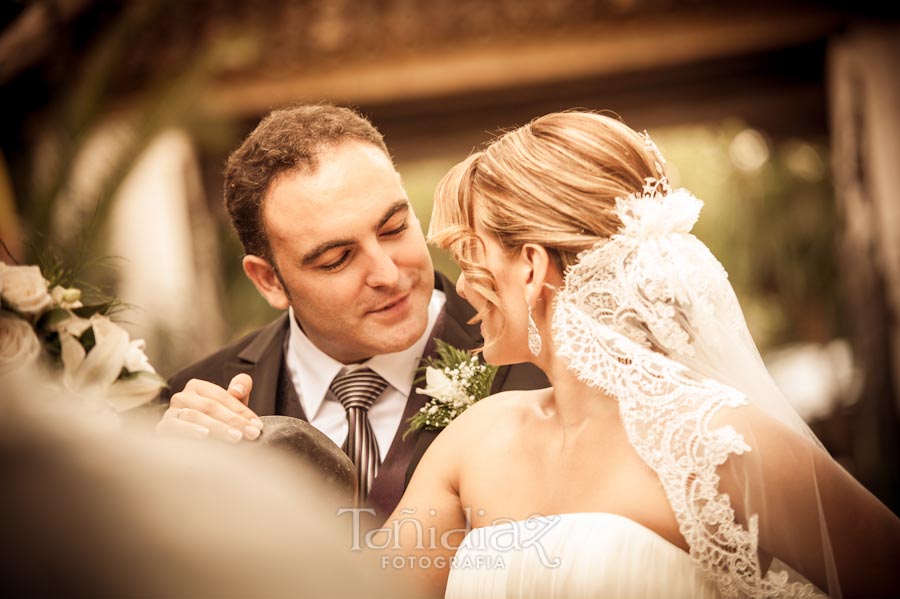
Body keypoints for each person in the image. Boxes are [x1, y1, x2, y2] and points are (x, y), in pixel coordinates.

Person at [377, 110, 900, 598]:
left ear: (532, 267)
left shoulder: (715, 439)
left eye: (471, 258)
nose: (463, 287)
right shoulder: (474, 438)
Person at [154, 104, 547, 522]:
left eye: (394, 229)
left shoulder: (540, 361)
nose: (387, 273)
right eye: (337, 259)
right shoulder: (186, 412)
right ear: (268, 280)